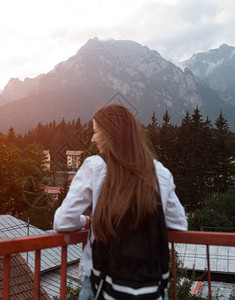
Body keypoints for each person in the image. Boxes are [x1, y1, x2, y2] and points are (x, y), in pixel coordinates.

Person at [53, 104, 187, 299]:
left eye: (96, 132)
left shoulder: (95, 166)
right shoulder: (160, 172)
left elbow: (62, 222)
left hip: (100, 284)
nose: (92, 139)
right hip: (150, 286)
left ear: (110, 135)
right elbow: (179, 225)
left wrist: (87, 221)